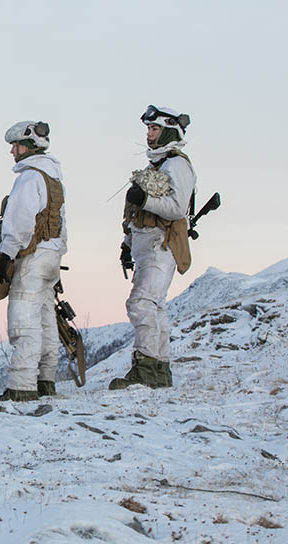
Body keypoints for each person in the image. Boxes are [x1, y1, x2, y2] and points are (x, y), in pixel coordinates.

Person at [110, 105, 195, 390]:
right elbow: (136, 214)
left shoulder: (177, 165)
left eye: (155, 129)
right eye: (148, 129)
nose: (149, 135)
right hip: (146, 244)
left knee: (142, 302)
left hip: (162, 243)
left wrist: (144, 199)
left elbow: (176, 208)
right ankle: (159, 370)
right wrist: (127, 244)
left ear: (170, 130)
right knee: (156, 306)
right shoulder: (155, 166)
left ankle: (146, 368)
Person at [0, 120, 67, 401]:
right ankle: (45, 381)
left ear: (29, 146)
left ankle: (22, 386)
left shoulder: (29, 177)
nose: (13, 152)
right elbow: (60, 222)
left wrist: (7, 252)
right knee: (47, 321)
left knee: (24, 320)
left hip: (32, 257)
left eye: (16, 145)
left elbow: (20, 220)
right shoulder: (53, 180)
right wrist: (56, 255)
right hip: (52, 255)